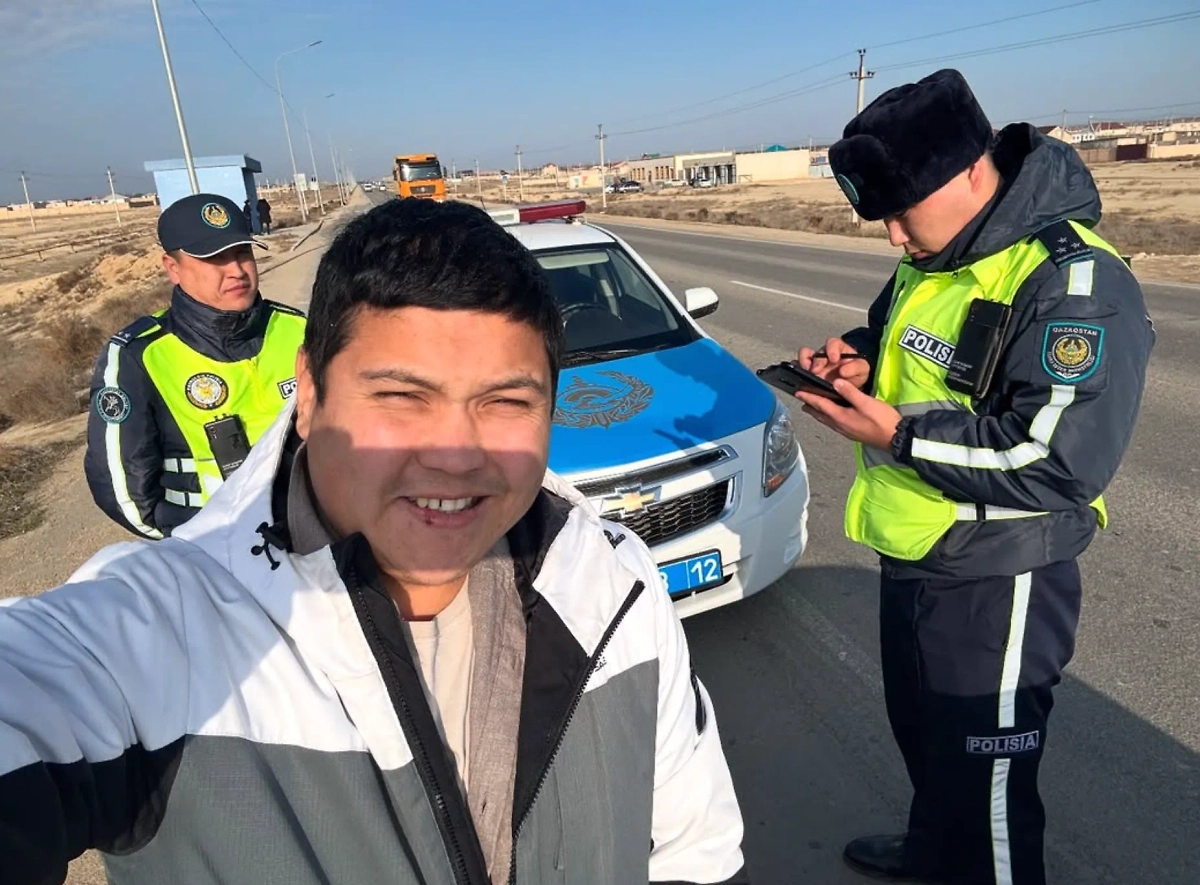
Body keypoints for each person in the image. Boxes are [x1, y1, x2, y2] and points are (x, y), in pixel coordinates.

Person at [0, 198, 747, 885]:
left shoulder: (616, 582)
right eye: (400, 396)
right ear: (311, 393)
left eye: (505, 401)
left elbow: (693, 850)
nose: (456, 454)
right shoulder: (155, 634)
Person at [794, 69, 1154, 884]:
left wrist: (898, 433)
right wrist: (855, 355)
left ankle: (970, 857)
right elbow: (903, 339)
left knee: (988, 791)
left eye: (899, 213)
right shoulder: (938, 251)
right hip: (917, 551)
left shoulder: (1074, 285)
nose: (892, 237)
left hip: (999, 575)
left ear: (969, 170)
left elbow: (1059, 461)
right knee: (931, 744)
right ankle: (935, 849)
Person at [84, 193, 306, 539]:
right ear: (172, 268)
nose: (236, 271)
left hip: (312, 536)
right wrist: (193, 546)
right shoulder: (139, 356)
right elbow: (123, 490)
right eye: (214, 259)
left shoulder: (298, 329)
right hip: (214, 549)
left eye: (242, 253)